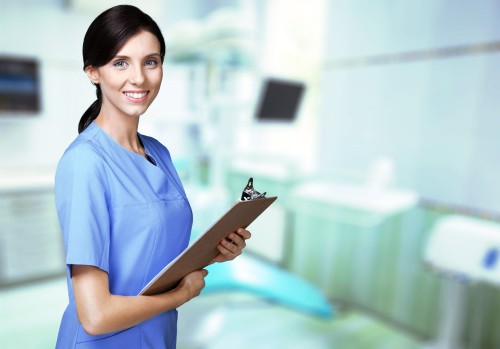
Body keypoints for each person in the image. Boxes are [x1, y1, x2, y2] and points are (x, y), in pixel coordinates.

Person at [54, 5, 251, 348]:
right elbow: (95, 316)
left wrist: (215, 251)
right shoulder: (85, 163)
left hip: (157, 336)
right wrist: (180, 296)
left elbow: (151, 252)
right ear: (93, 72)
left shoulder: (159, 152)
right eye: (120, 63)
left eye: (150, 61)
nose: (139, 78)